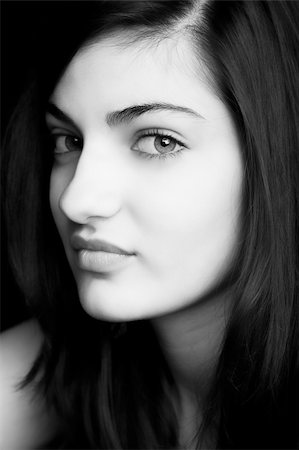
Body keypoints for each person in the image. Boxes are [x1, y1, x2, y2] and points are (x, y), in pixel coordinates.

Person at [1, 1, 298, 448]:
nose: (76, 199)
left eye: (159, 141)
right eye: (69, 140)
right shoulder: (63, 362)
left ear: (277, 158)